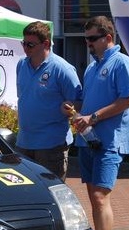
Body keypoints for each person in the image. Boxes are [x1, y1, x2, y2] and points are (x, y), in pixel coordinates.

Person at [64, 15, 129, 230]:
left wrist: (92, 117)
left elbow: (127, 100)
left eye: (92, 39)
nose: (88, 44)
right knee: (95, 199)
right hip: (89, 141)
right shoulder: (92, 68)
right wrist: (75, 111)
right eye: (86, 39)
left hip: (110, 140)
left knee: (100, 196)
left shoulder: (121, 62)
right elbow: (89, 103)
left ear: (108, 37)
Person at [15, 21, 82, 182]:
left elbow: (79, 101)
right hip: (24, 142)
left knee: (51, 191)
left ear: (46, 44)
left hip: (51, 145)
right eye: (23, 43)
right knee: (25, 191)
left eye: (30, 44)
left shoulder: (62, 69)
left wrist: (70, 107)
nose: (25, 48)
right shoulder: (21, 65)